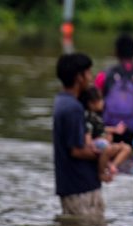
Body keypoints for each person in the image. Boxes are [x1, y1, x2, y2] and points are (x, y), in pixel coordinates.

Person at [52, 53, 105, 217]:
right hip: (81, 186)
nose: (91, 77)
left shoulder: (61, 101)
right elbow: (76, 150)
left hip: (71, 185)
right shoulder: (73, 108)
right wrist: (105, 154)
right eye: (88, 73)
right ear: (79, 77)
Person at [79, 86, 132, 181]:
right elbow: (88, 133)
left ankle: (112, 166)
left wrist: (115, 129)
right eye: (100, 100)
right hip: (96, 143)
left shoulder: (97, 117)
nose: (103, 102)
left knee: (127, 148)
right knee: (107, 147)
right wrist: (90, 144)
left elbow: (102, 129)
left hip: (103, 143)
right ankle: (102, 172)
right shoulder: (88, 117)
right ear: (91, 103)